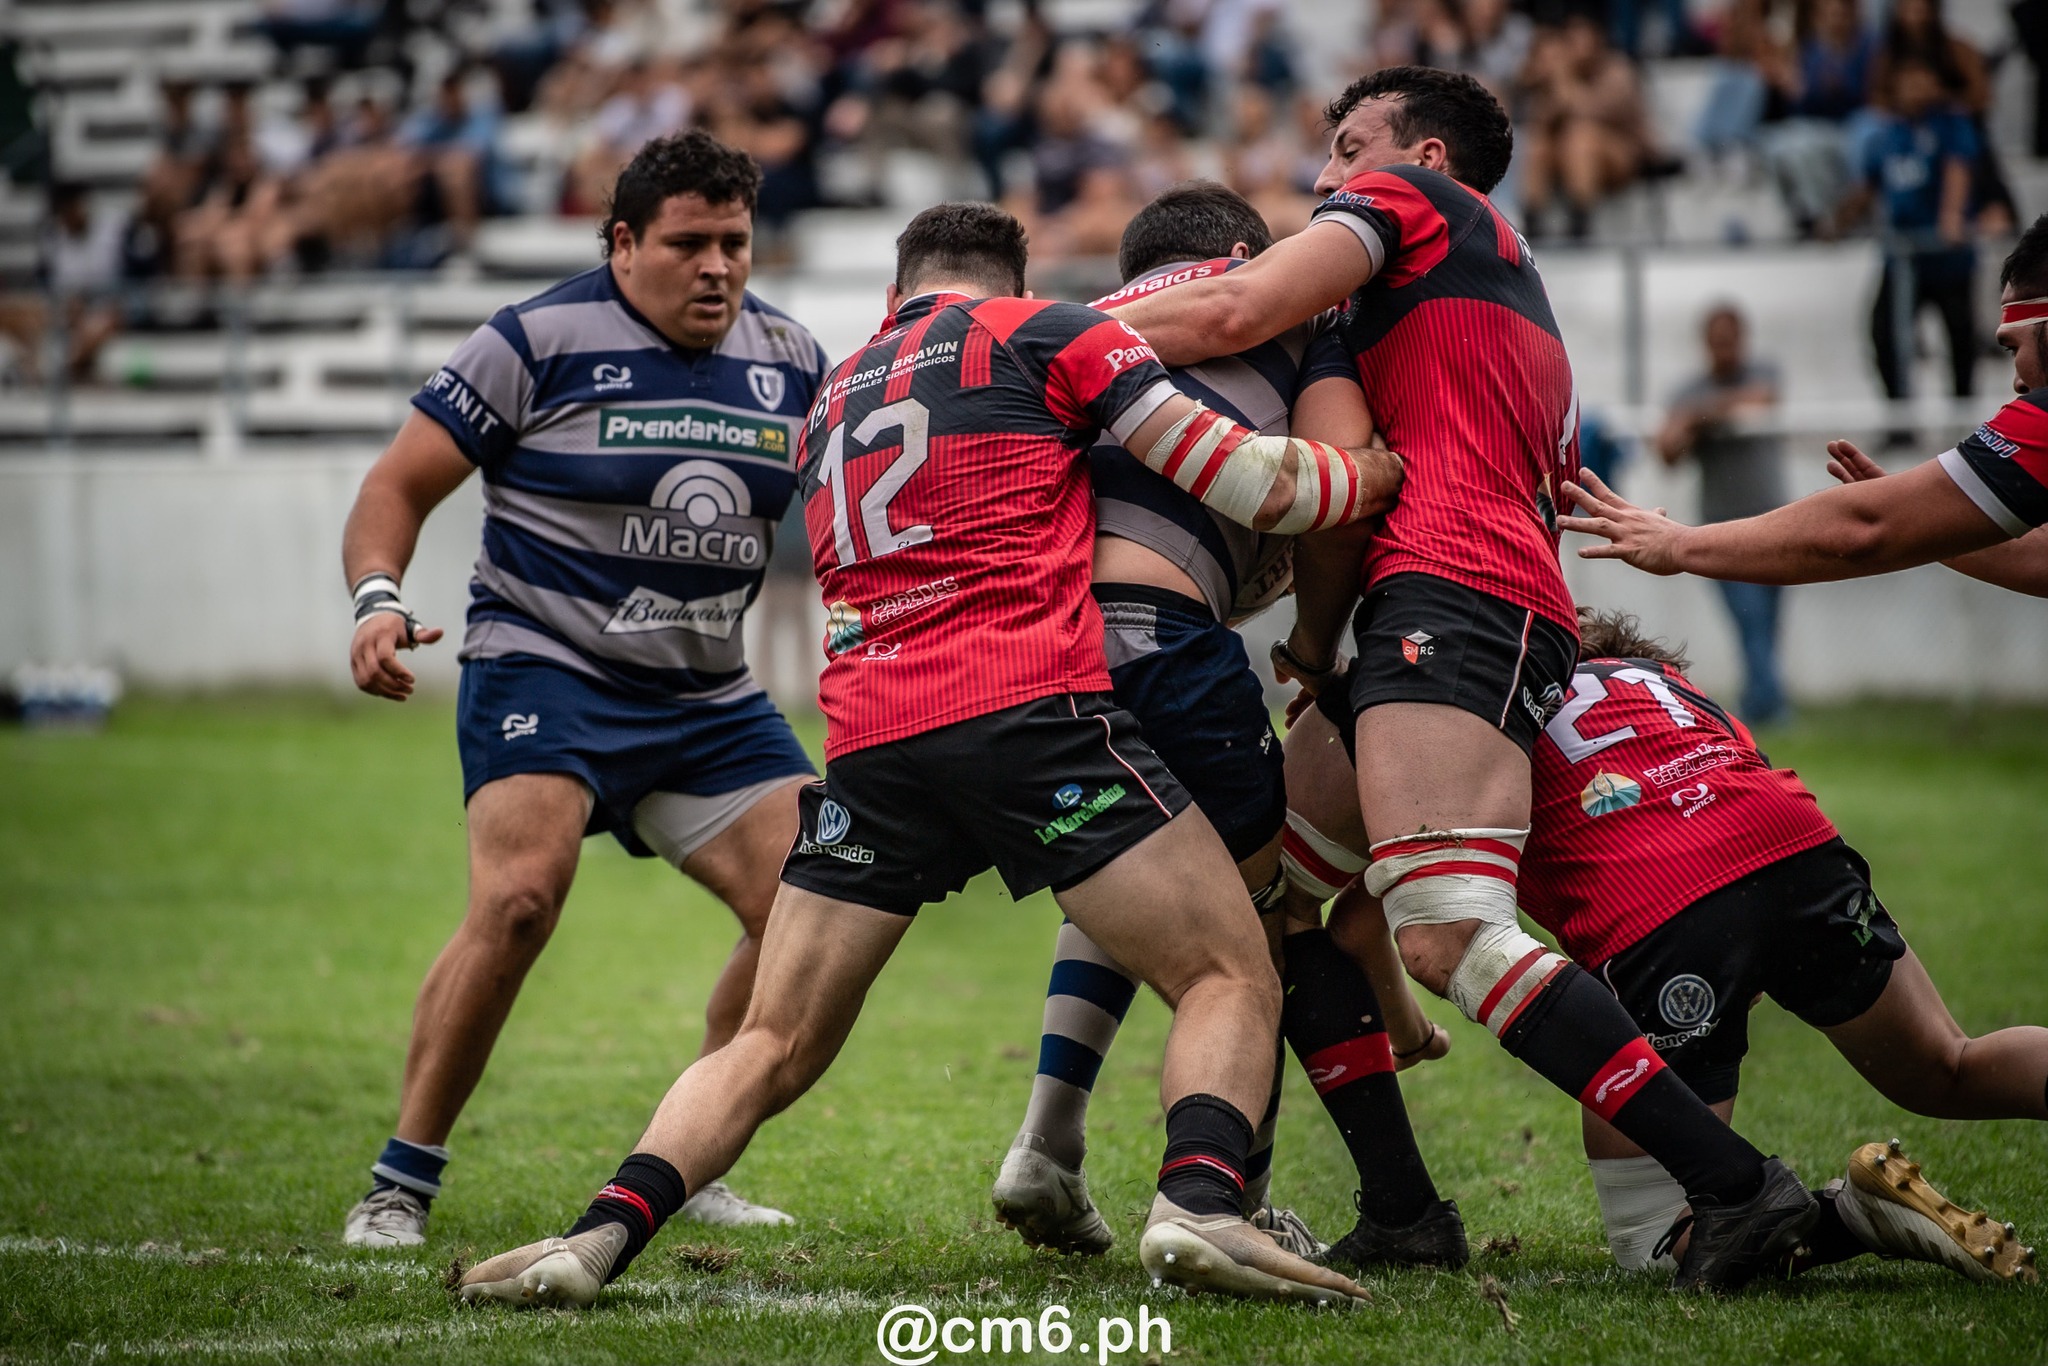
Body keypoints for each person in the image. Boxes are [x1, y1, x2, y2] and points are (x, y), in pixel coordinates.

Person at [455, 200, 1401, 1309]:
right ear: (1007, 282)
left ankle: (596, 1236)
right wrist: (1371, 476)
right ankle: (1199, 1206)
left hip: (868, 742)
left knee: (771, 1035)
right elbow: (1252, 481)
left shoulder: (831, 390)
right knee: (1228, 966)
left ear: (893, 295)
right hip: (1025, 713)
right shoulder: (1042, 330)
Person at [1107, 64, 1822, 1293]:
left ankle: (1738, 1187)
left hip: (1456, 597)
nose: (1323, 180)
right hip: (1440, 600)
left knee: (1445, 936)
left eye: (1348, 149)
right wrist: (1317, 648)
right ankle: (1399, 1210)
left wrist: (1037, 338)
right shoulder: (1467, 277)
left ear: (1422, 162)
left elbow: (1232, 315)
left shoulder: (1422, 214)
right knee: (1270, 904)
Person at [337, 131, 827, 1247]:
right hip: (546, 667)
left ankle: (689, 1152)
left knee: (813, 902)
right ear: (621, 243)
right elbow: (396, 482)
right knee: (517, 902)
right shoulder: (534, 338)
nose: (717, 267)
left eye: (735, 244)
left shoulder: (790, 356)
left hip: (707, 699)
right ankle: (399, 1182)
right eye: (688, 243)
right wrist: (374, 597)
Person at [1283, 608, 2042, 1285]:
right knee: (1947, 1065)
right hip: (1798, 848)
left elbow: (1356, 922)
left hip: (1666, 903)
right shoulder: (1660, 684)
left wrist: (1409, 1032)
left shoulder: (1476, 699)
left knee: (1654, 1237)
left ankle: (1858, 1215)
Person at [993, 181, 1461, 1273]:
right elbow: (1336, 497)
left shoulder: (1072, 329)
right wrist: (1312, 641)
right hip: (1159, 637)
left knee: (1139, 870)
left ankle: (1047, 1138)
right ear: (1249, 252)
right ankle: (1279, 1202)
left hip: (1031, 658)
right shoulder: (1287, 310)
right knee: (1273, 927)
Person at [1559, 212, 2048, 596]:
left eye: (2012, 347)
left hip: (1741, 525)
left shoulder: (2041, 421)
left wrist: (1678, 543)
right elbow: (2037, 561)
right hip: (1738, 524)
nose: (2017, 381)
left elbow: (1864, 527)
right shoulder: (1690, 390)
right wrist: (1923, 519)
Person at [1655, 304, 1790, 723]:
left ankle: (1759, 702)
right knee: (1750, 620)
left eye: (1729, 340)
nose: (1724, 350)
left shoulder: (1761, 373)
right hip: (1722, 530)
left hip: (1778, 523)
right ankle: (1771, 708)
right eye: (1716, 342)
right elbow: (1666, 449)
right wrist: (1698, 418)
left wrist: (1701, 415)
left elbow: (1761, 399)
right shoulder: (1688, 390)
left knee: (1766, 623)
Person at [1839, 54, 1981, 408]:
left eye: (1922, 77)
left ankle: (1963, 413)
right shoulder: (1887, 134)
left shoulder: (1951, 125)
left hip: (1945, 254)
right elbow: (1867, 187)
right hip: (1903, 255)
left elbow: (1957, 170)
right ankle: (1899, 415)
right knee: (1883, 331)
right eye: (1908, 78)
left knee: (1959, 335)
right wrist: (1836, 223)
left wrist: (1951, 217)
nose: (1915, 87)